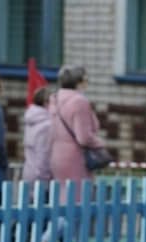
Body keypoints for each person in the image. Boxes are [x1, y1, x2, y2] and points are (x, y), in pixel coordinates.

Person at [48, 64, 104, 195]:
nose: (87, 82)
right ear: (78, 81)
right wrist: (99, 143)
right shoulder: (79, 102)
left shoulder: (54, 99)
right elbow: (83, 138)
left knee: (61, 195)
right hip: (75, 158)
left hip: (56, 155)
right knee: (78, 198)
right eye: (86, 79)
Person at [21, 86, 52, 182]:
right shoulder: (46, 125)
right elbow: (43, 154)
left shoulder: (30, 120)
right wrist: (45, 177)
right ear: (46, 103)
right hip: (40, 177)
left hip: (28, 172)